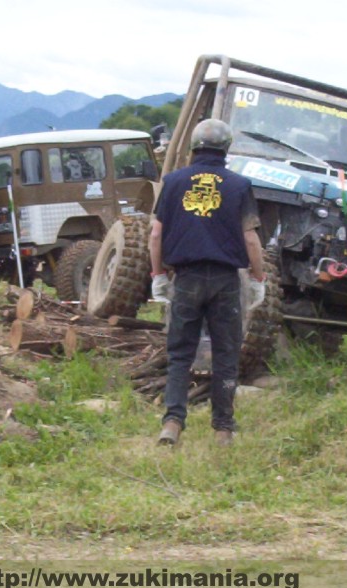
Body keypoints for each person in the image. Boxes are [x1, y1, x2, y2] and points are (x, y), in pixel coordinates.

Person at [148, 119, 265, 447]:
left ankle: (172, 423)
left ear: (194, 147)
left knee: (180, 352)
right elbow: (251, 239)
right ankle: (223, 429)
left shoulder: (172, 182)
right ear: (226, 149)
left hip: (186, 278)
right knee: (226, 353)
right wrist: (258, 278)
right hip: (226, 281)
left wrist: (158, 276)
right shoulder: (239, 185)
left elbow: (155, 233)